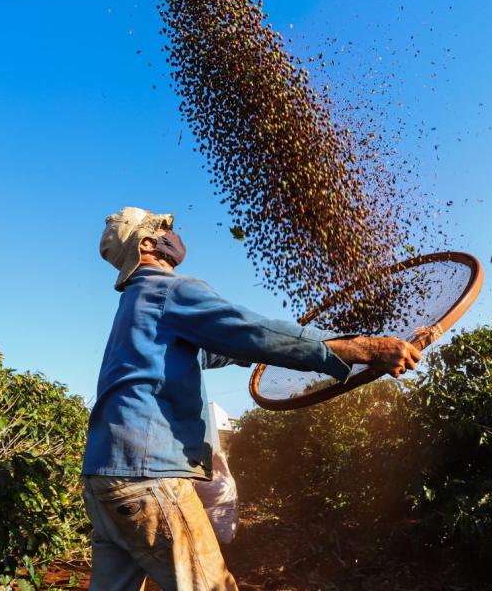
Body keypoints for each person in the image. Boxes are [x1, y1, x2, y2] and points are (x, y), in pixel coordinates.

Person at [83, 206, 421, 591]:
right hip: (148, 478)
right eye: (165, 230)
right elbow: (253, 331)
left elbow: (219, 347)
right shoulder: (170, 289)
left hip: (104, 479)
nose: (175, 235)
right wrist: (360, 348)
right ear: (148, 244)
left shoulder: (135, 303)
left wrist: (277, 354)